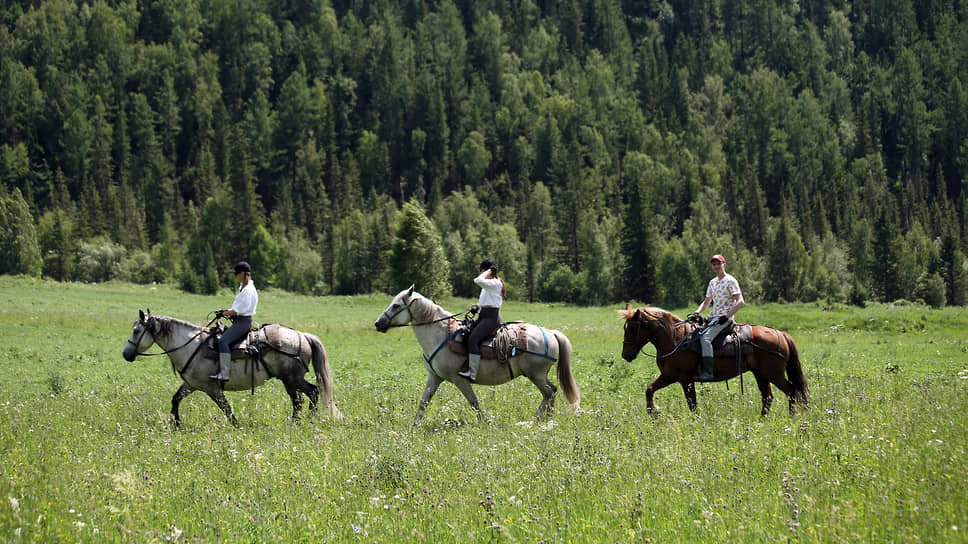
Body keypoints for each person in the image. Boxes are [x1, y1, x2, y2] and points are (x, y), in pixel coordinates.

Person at [690, 253, 744, 381]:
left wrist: (727, 316)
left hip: (725, 319)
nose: (716, 266)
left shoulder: (731, 280)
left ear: (724, 265)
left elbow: (740, 301)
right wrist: (697, 312)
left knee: (705, 339)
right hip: (713, 317)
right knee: (694, 334)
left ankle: (708, 372)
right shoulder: (712, 282)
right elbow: (707, 302)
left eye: (718, 264)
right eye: (714, 264)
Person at [457, 258, 507, 382]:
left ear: (486, 271)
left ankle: (472, 374)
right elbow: (486, 302)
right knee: (465, 332)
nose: (479, 272)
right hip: (484, 315)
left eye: (481, 270)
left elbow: (477, 280)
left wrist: (488, 271)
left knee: (473, 339)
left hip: (491, 318)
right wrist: (477, 310)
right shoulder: (488, 285)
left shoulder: (495, 283)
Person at [211, 261, 259, 382]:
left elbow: (238, 310)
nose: (235, 276)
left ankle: (224, 373)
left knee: (223, 341)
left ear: (243, 274)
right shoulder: (243, 287)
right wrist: (225, 311)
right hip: (241, 320)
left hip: (243, 322)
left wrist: (224, 313)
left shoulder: (248, 290)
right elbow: (238, 308)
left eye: (236, 273)